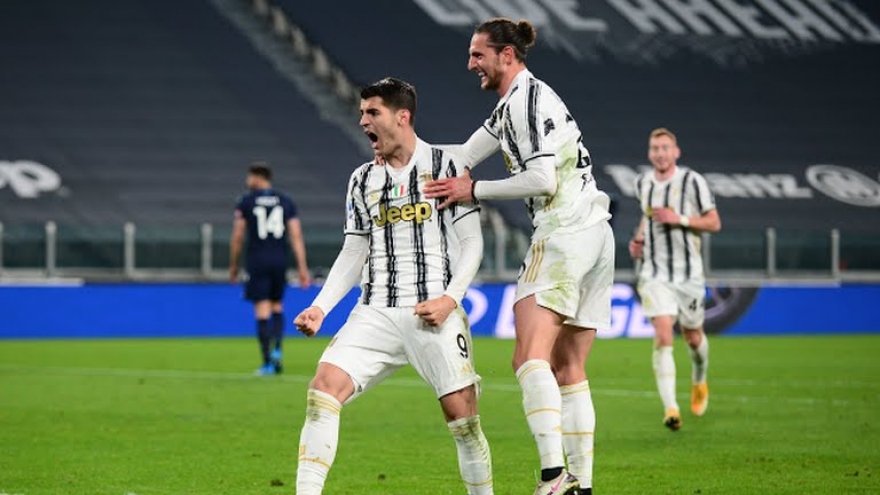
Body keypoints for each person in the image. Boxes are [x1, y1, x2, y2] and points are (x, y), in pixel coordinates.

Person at [423, 18, 614, 495]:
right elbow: (463, 154)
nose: (470, 64)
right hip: (596, 233)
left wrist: (474, 190)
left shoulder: (527, 103)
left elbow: (543, 180)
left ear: (506, 55)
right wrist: (404, 152)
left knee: (529, 357)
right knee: (568, 368)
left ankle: (553, 476)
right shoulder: (514, 104)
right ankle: (582, 485)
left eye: (478, 54)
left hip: (564, 232)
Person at [293, 77, 493, 495]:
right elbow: (354, 250)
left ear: (402, 117)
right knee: (322, 392)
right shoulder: (361, 179)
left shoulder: (446, 166)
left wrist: (450, 299)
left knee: (463, 420)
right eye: (361, 113)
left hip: (433, 311)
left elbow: (473, 243)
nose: (363, 121)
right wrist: (321, 306)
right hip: (375, 312)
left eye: (372, 112)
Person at [628, 128, 722, 431]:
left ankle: (699, 379)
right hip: (654, 273)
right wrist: (638, 240)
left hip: (688, 275)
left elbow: (714, 222)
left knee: (693, 337)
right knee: (664, 334)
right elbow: (647, 218)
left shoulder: (693, 181)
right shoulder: (642, 183)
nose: (660, 153)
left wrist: (679, 219)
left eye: (665, 148)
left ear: (676, 152)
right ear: (649, 153)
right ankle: (671, 408)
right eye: (655, 148)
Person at [229, 163, 310, 375]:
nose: (247, 181)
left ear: (258, 177)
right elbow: (296, 235)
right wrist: (302, 268)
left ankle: (267, 362)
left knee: (262, 309)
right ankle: (277, 350)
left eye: (249, 177)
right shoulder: (285, 201)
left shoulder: (247, 201)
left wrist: (234, 265)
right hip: (280, 260)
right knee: (277, 306)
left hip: (257, 260)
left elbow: (238, 236)